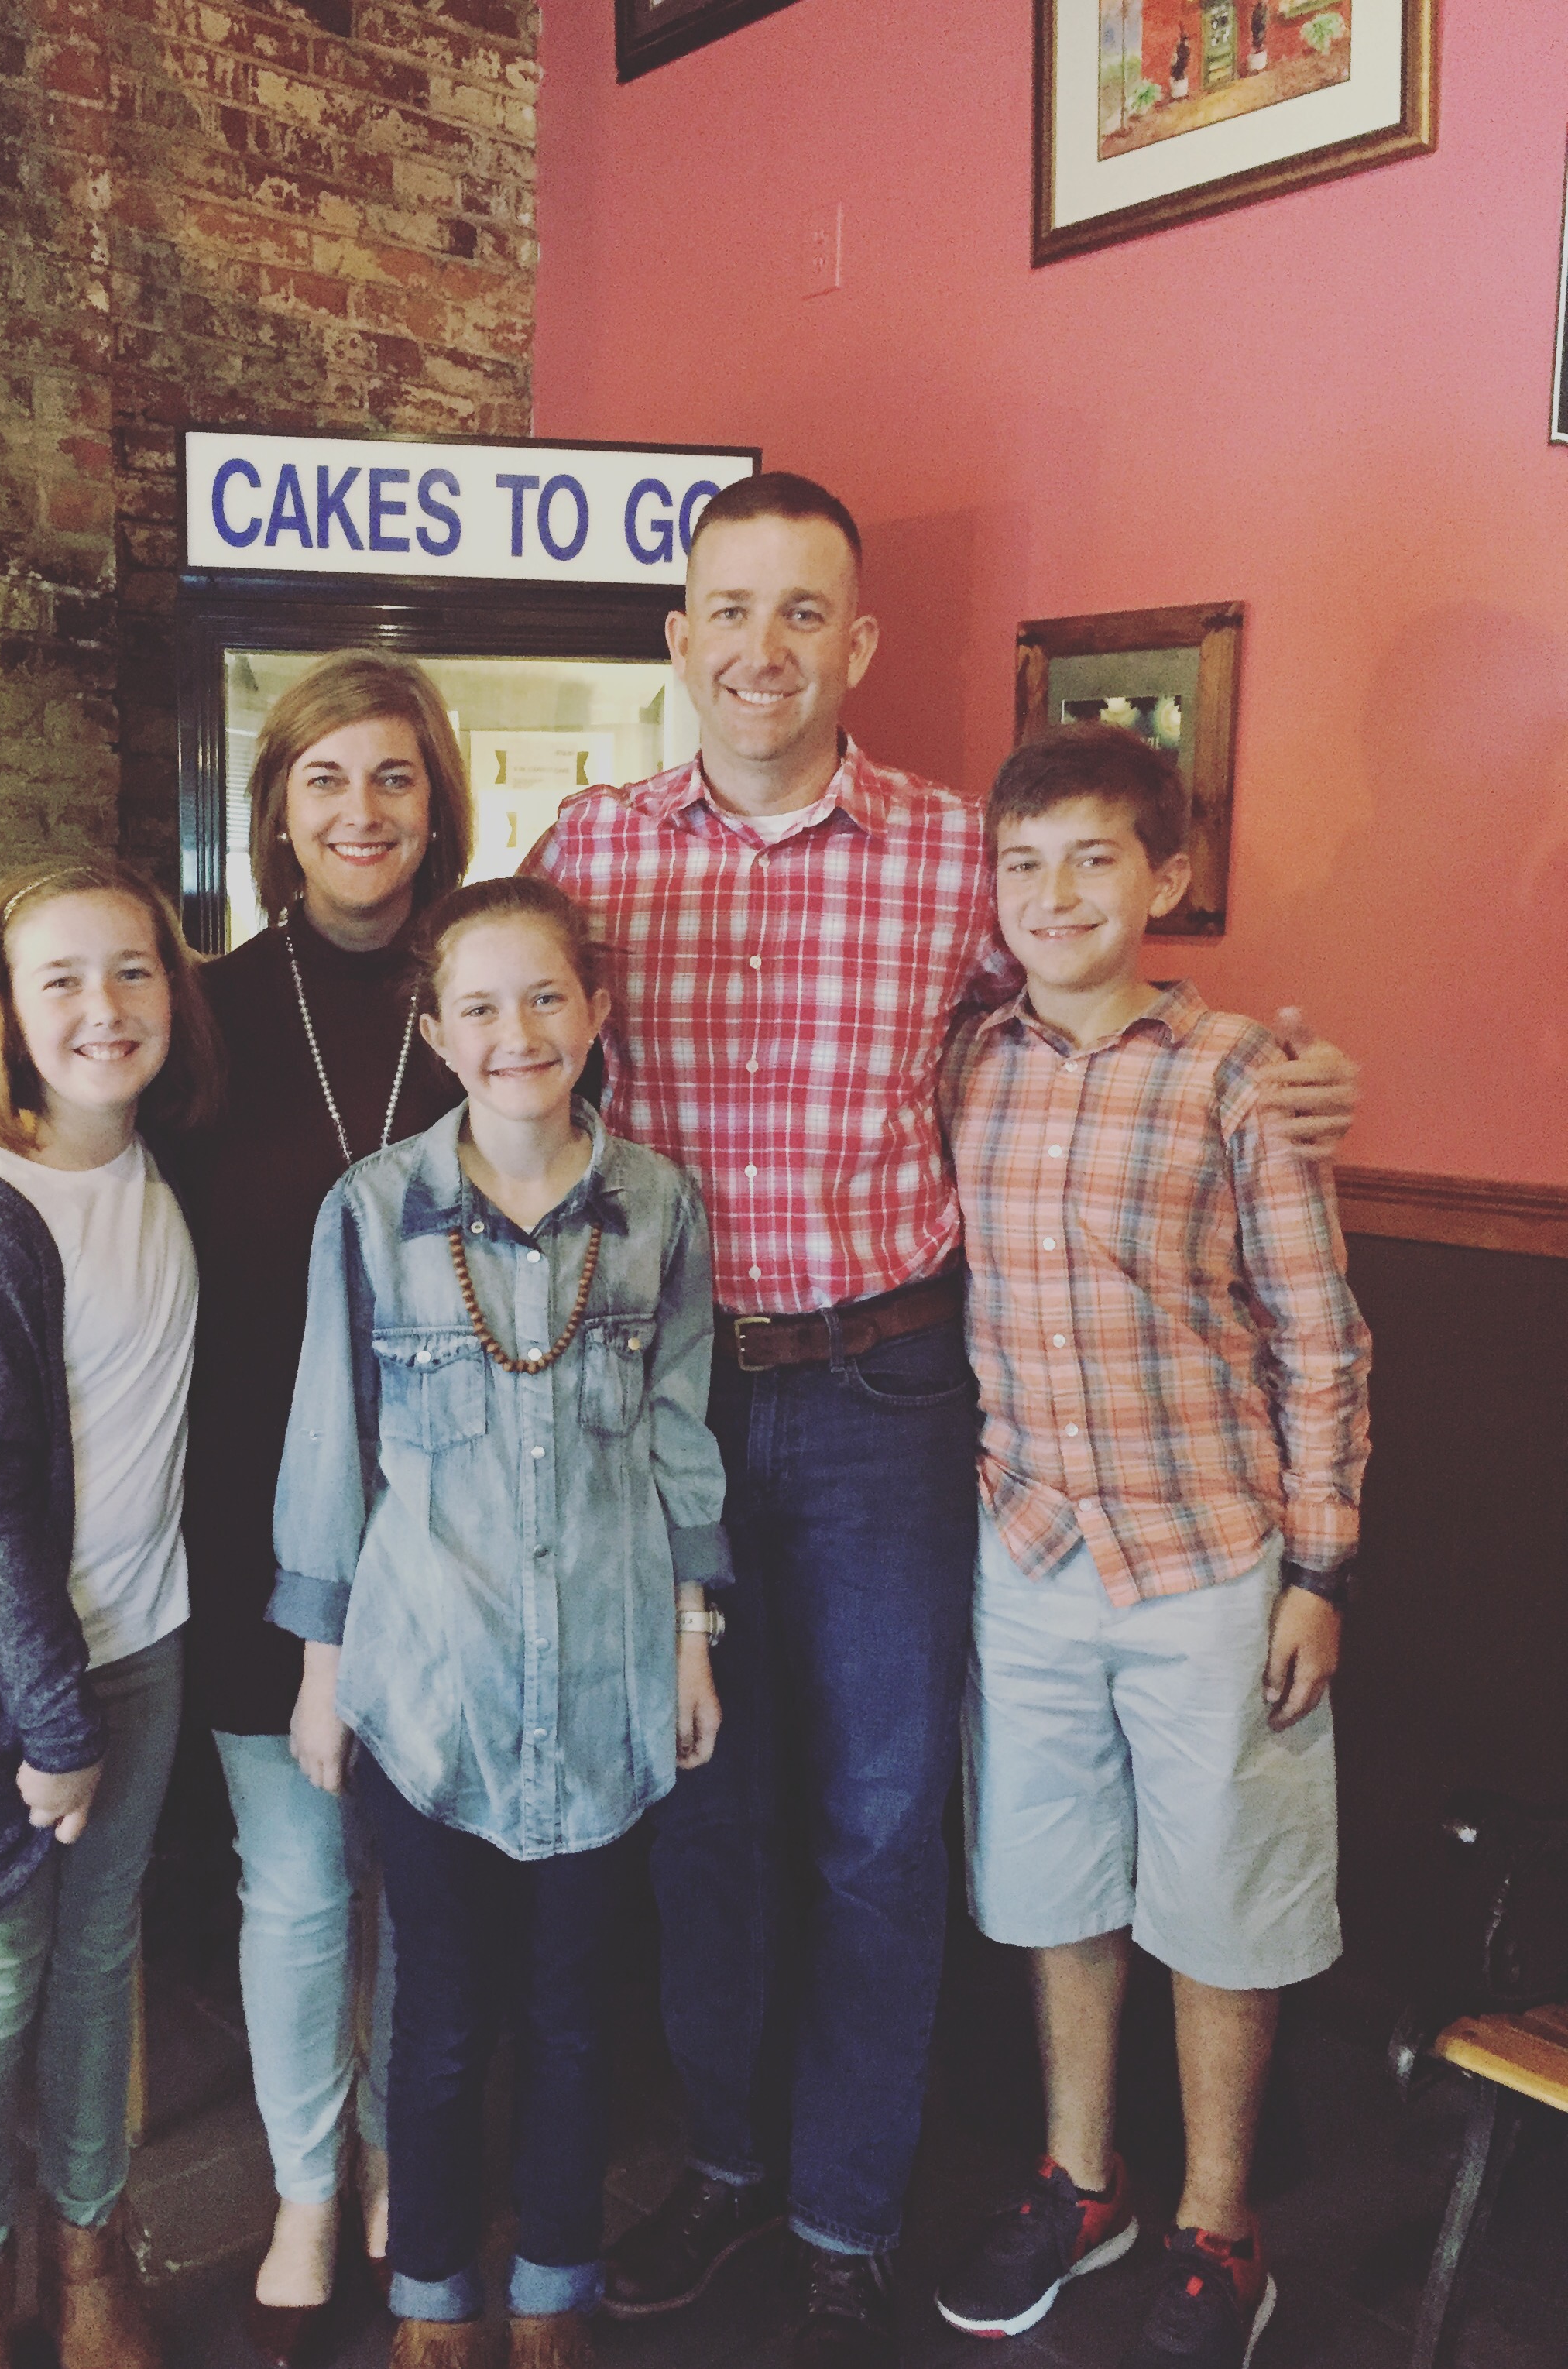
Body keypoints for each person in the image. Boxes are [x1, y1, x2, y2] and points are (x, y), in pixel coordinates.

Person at [526, 472, 1360, 2367]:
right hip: (664, 1396)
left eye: (802, 612)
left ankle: (846, 2209)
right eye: (729, 608)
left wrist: (1295, 1070)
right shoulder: (590, 847)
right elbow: (505, 1036)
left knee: (884, 1823)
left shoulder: (942, 850)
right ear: (677, 637)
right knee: (708, 1809)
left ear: (860, 643)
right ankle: (727, 2169)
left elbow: (1097, 1007)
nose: (762, 648)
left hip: (891, 1394)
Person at [934, 725, 1370, 2369]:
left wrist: (1320, 1569)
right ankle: (1082, 2179)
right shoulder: (965, 1063)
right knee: (1056, 1878)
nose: (1053, 895)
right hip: (1029, 1541)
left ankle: (1219, 2225)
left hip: (1209, 1554)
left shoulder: (1242, 1072)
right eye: (1023, 864)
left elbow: (1318, 1336)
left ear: (1166, 878)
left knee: (1221, 1892)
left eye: (1093, 859)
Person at [269, 875, 730, 2369]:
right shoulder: (372, 1212)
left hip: (605, 1680)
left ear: (597, 1013)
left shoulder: (658, 1207)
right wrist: (324, 1673)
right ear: (435, 1031)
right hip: (431, 1684)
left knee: (578, 2014)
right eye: (479, 1006)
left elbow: (678, 1432)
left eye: (546, 998)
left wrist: (693, 1636)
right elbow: (331, 1453)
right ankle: (430, 2298)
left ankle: (552, 2290)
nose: (516, 1032)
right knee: (444, 2018)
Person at [0, 855, 221, 2369]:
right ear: (6, 1012)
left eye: (134, 969)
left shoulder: (153, 1162)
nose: (105, 1007)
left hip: (144, 1644)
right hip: (4, 1688)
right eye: (63, 979)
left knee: (96, 1966)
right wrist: (53, 1723)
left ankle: (92, 2261)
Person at [178, 652, 472, 2367]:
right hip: (246, 1510)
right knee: (294, 1884)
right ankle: (304, 2185)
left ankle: (397, 2159)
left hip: (450, 1519)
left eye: (395, 778)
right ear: (276, 812)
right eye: (326, 781)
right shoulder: (207, 1008)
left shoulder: (487, 996)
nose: (363, 812)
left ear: (439, 805)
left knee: (419, 1882)